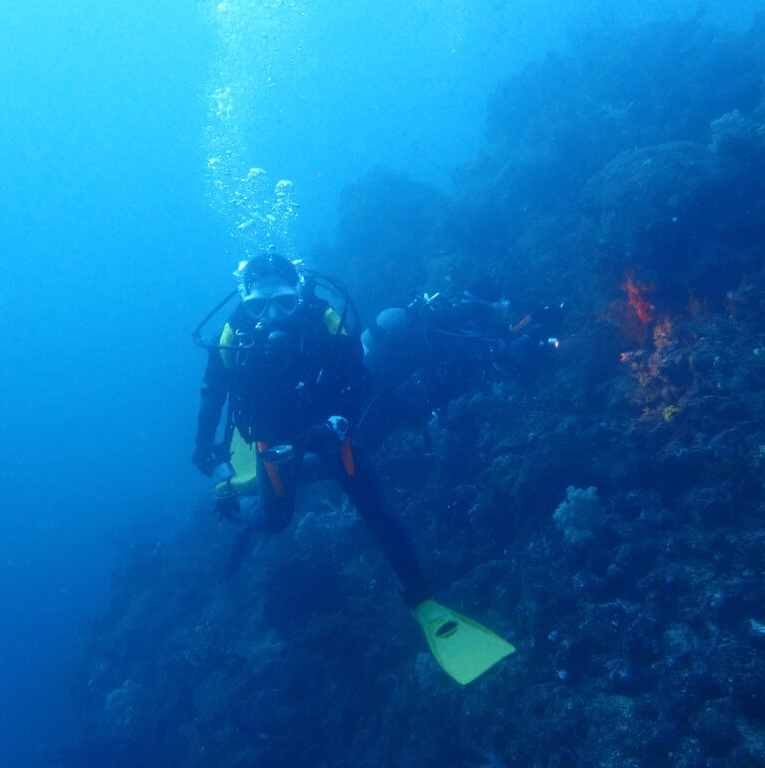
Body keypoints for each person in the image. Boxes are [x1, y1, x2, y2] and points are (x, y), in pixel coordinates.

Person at [192, 253, 515, 685]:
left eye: (284, 303)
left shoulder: (323, 317)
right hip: (271, 440)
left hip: (331, 430)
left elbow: (359, 377)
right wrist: (209, 455)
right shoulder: (233, 335)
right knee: (273, 519)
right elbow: (213, 394)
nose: (273, 317)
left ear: (299, 295)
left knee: (375, 507)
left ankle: (424, 602)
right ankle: (237, 505)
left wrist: (340, 418)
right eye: (260, 305)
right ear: (246, 302)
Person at [359, 280, 565, 452]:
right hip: (398, 405)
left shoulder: (453, 323)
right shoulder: (460, 337)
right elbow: (504, 354)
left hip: (393, 397)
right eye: (500, 308)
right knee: (357, 446)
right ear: (483, 308)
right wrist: (536, 334)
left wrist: (528, 323)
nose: (502, 314)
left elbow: (488, 341)